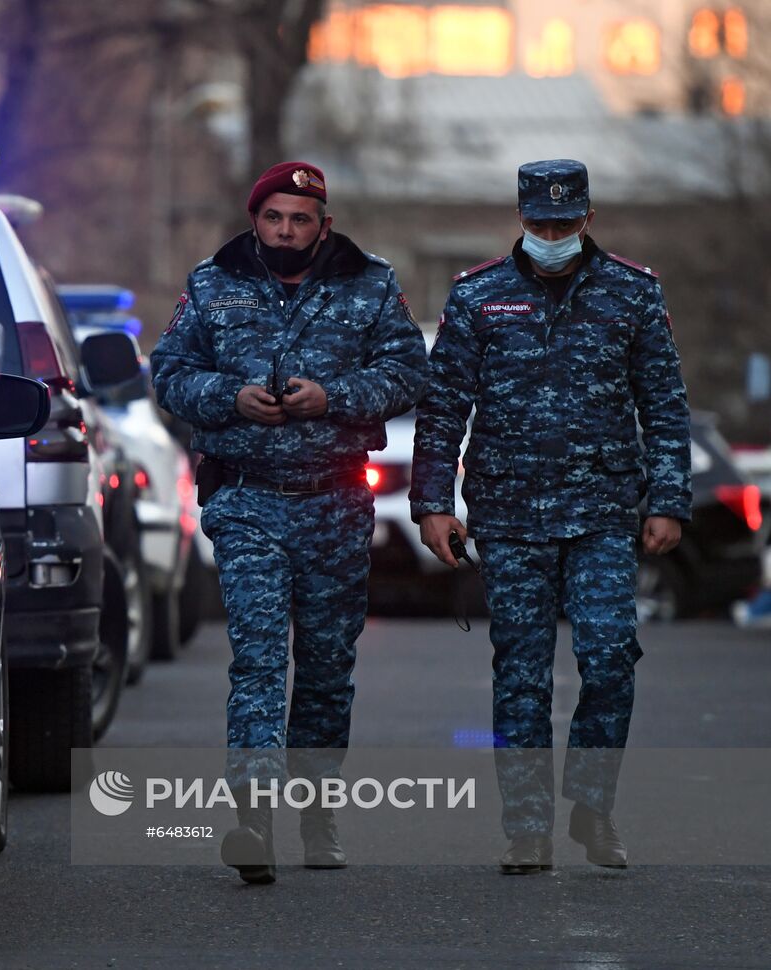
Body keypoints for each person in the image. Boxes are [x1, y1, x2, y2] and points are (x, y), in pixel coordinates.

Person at [410, 159, 692, 874]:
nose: (553, 235)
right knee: (522, 676)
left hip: (601, 510)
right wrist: (434, 504)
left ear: (588, 219)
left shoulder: (633, 293)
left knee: (608, 660)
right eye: (540, 223)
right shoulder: (479, 297)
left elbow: (664, 406)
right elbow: (444, 409)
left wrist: (667, 500)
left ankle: (592, 807)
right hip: (509, 515)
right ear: (521, 219)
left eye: (565, 224)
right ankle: (527, 826)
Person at [150, 161, 428, 883]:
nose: (285, 230)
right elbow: (169, 373)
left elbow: (407, 373)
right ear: (255, 219)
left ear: (323, 224)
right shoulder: (213, 283)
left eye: (300, 219)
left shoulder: (368, 282)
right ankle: (253, 817)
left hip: (336, 500)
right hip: (246, 498)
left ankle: (316, 808)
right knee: (261, 655)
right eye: (274, 217)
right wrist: (229, 397)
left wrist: (330, 396)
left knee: (329, 667)